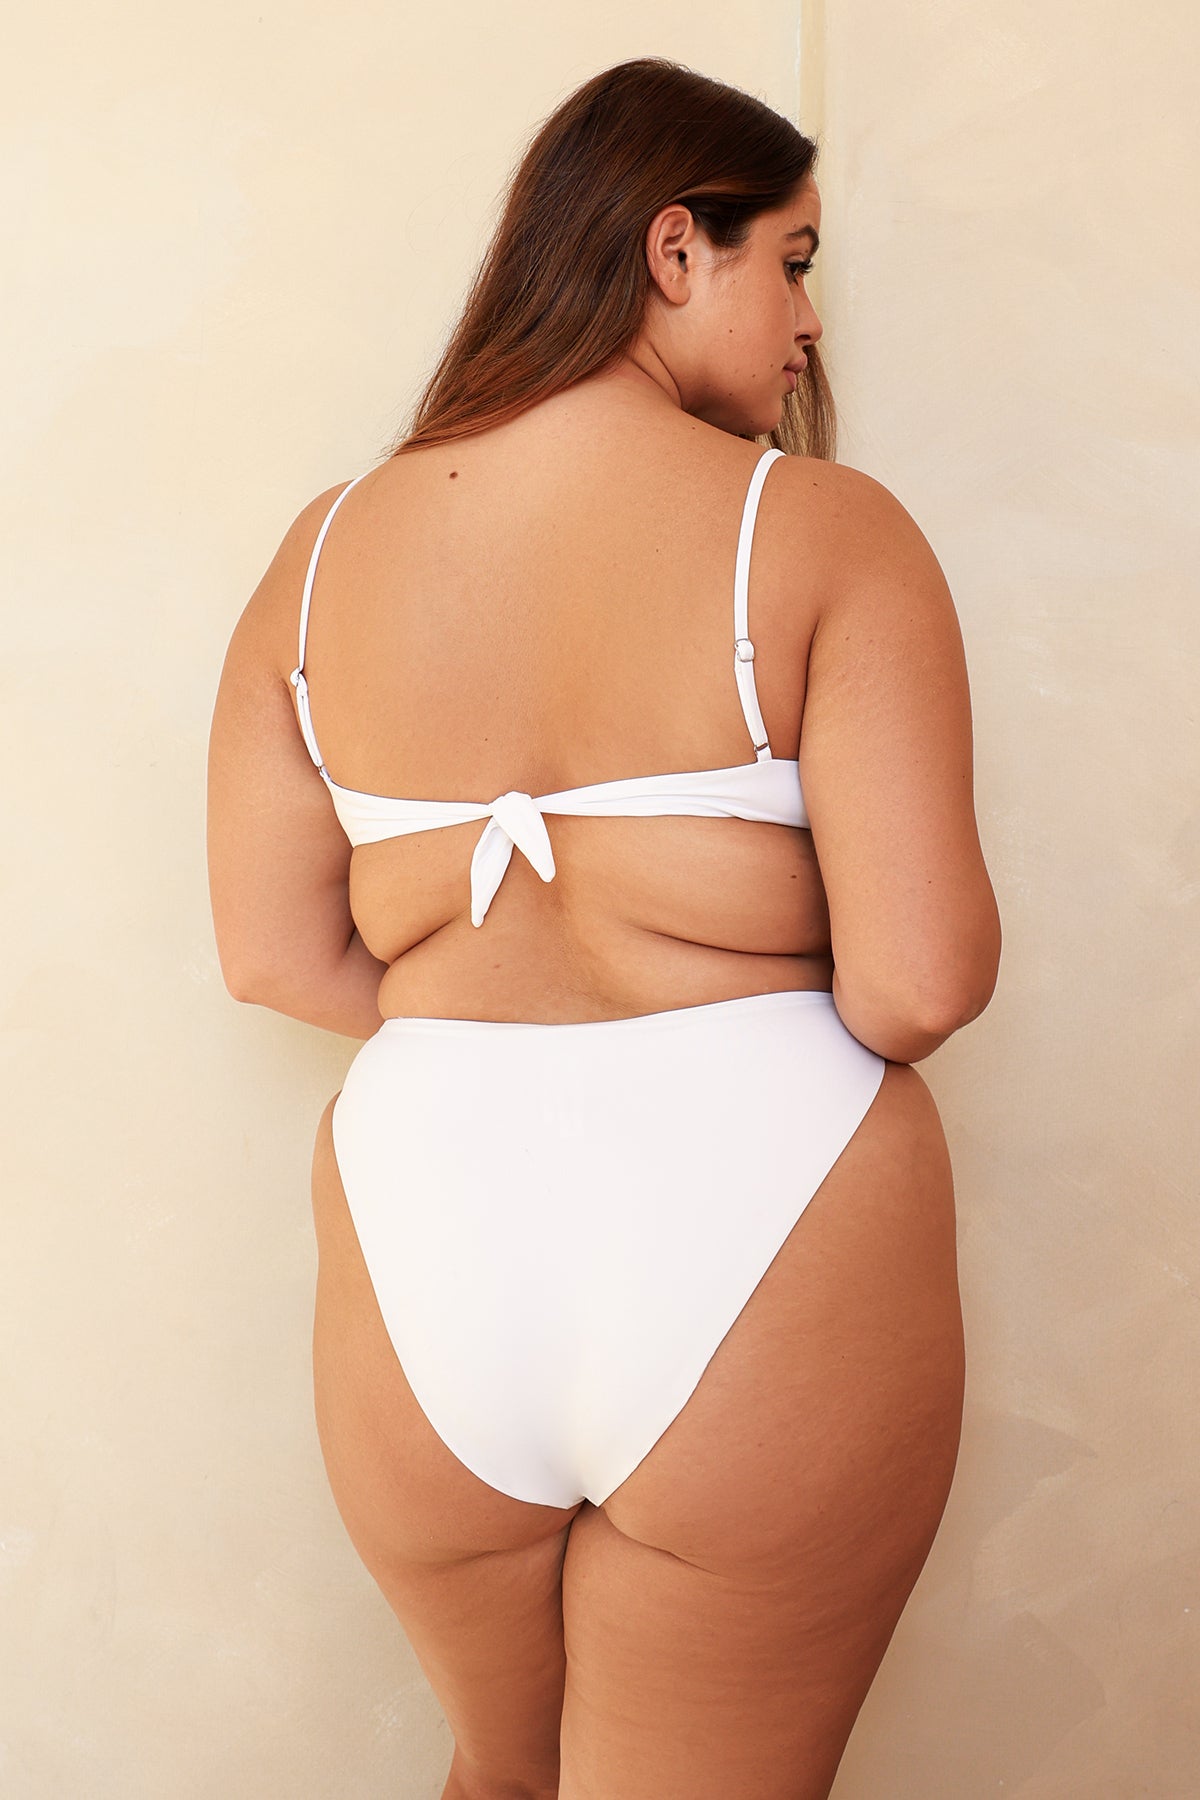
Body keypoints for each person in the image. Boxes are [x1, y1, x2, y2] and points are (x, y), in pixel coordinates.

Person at [207, 54, 1001, 1800]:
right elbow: (921, 981)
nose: (811, 322)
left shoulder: (323, 554)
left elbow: (269, 953)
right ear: (673, 248)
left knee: (501, 1779)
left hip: (430, 1222)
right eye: (793, 261)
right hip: (761, 1220)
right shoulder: (820, 534)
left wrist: (505, 1017)